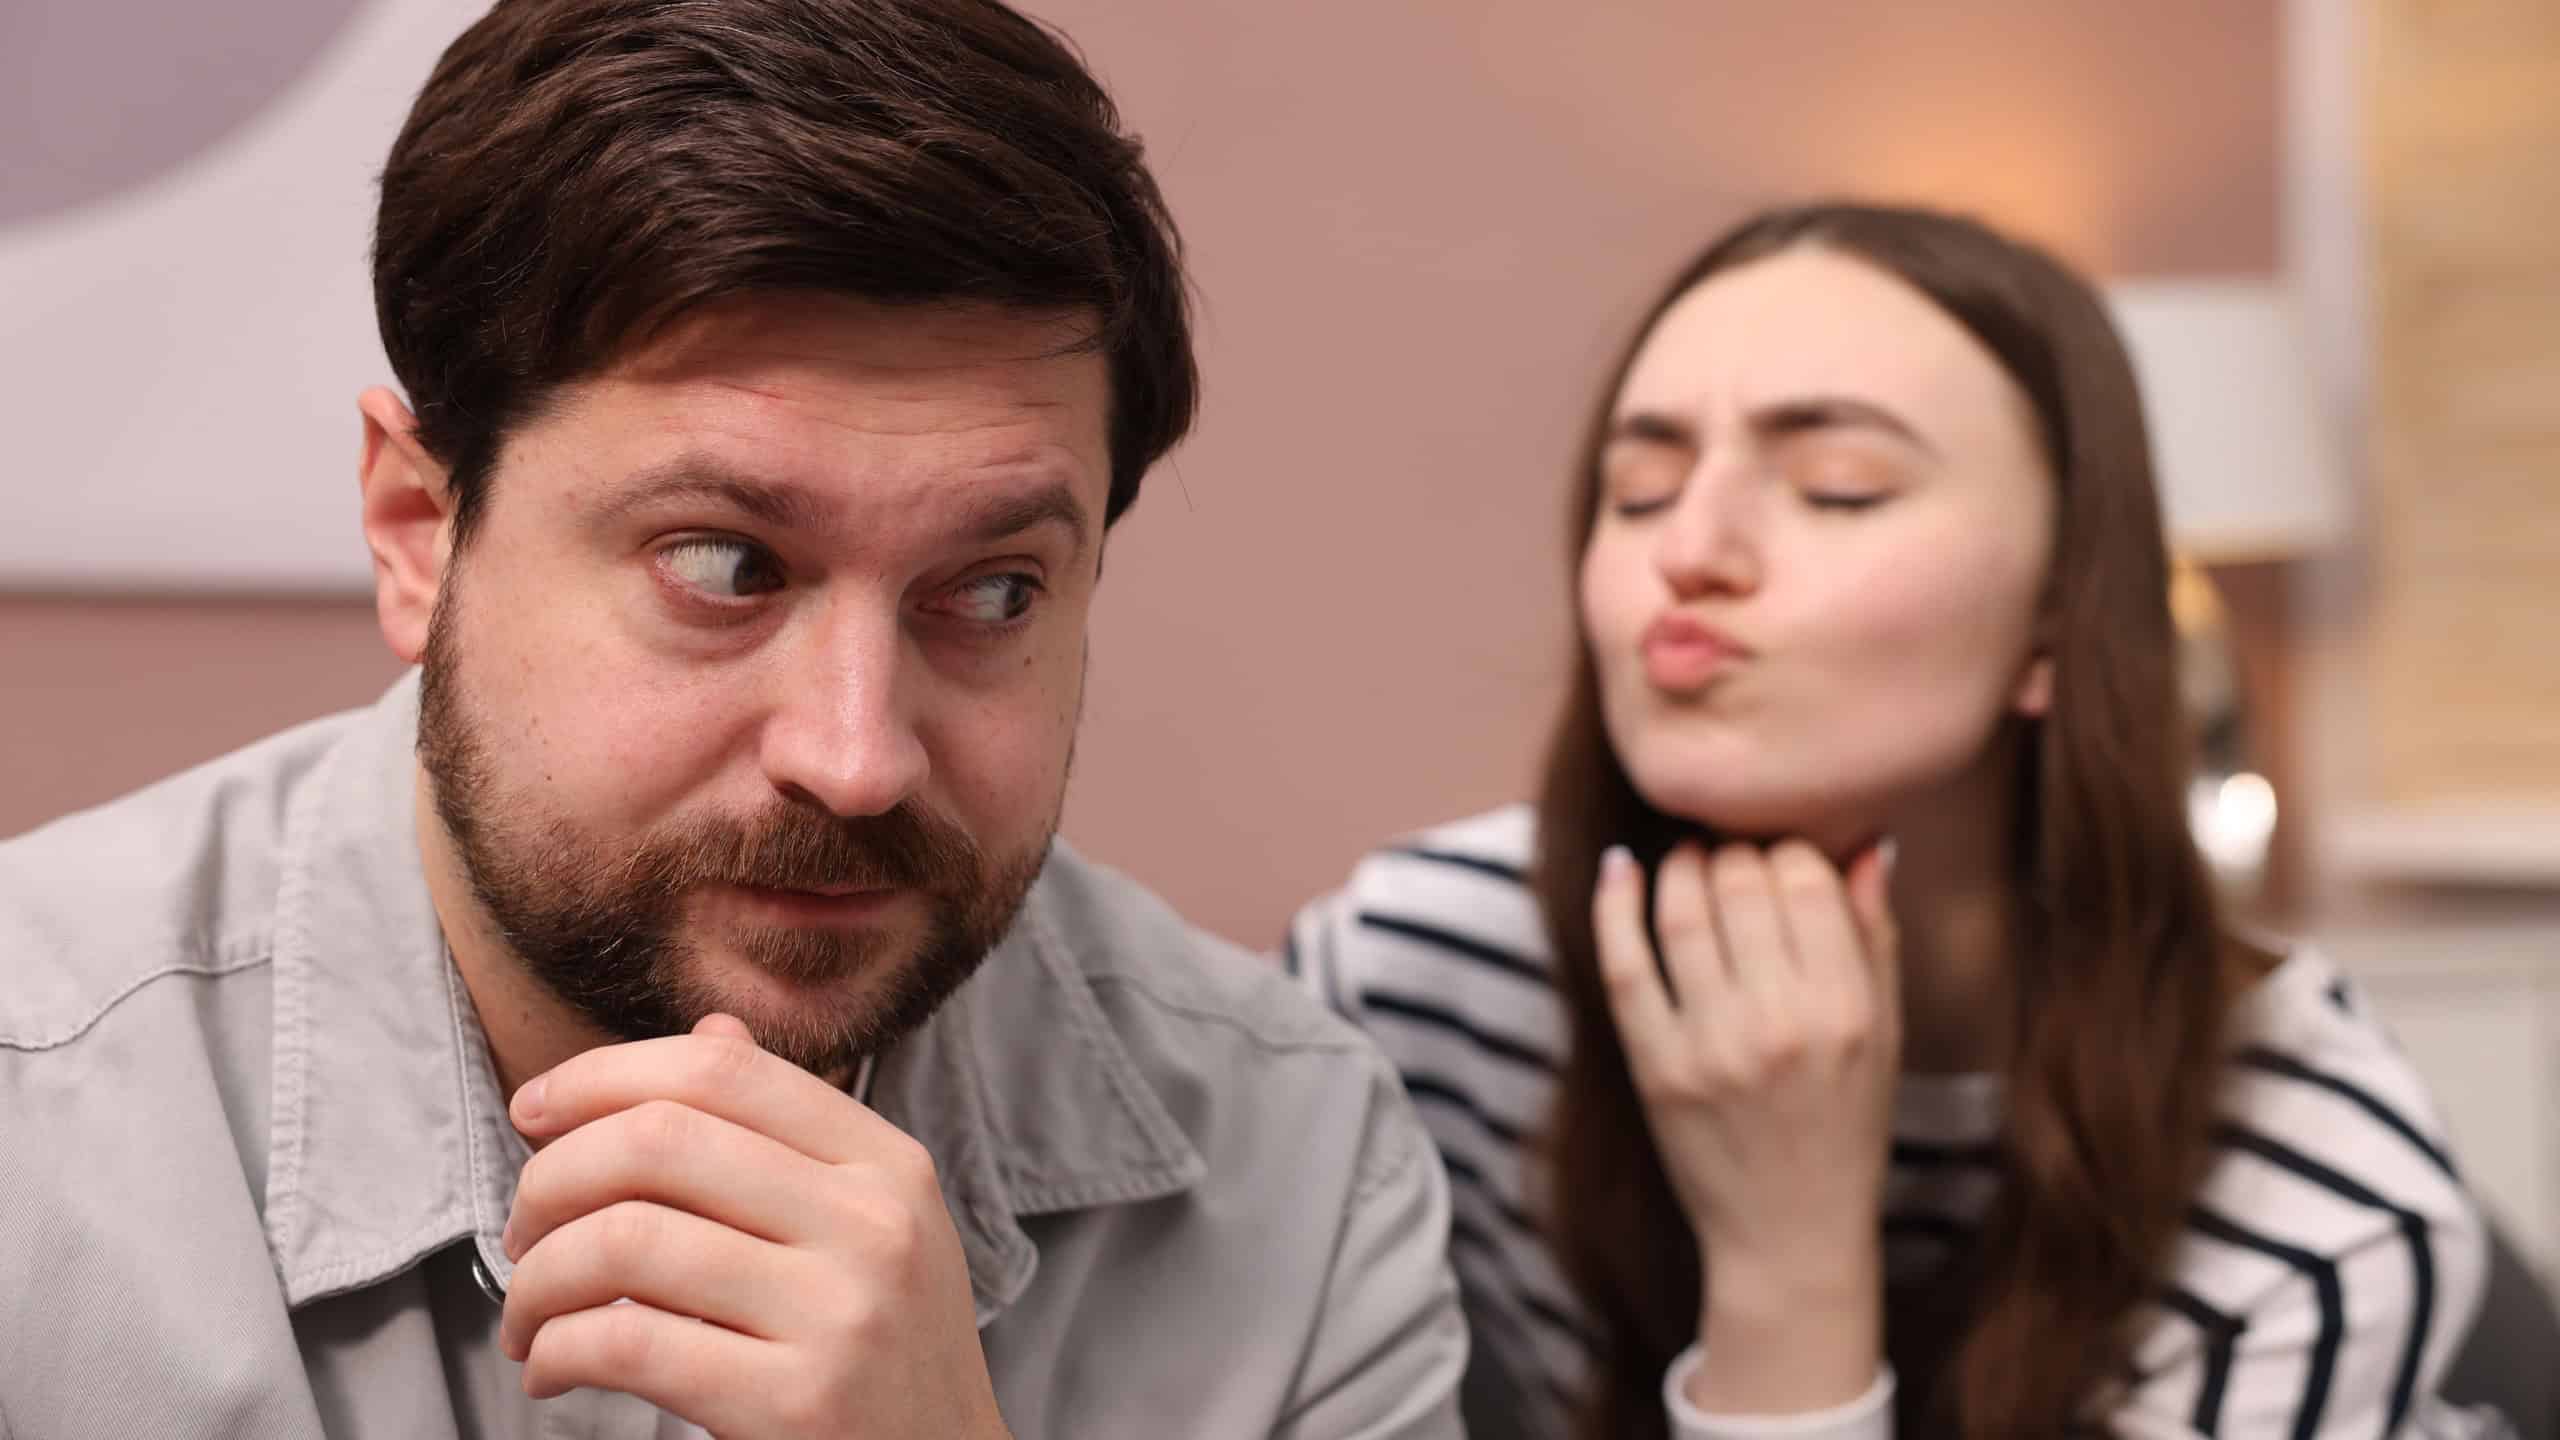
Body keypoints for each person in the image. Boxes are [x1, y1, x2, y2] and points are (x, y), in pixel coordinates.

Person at [0, 2, 1464, 1435]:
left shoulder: (1293, 1173)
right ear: (418, 530)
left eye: (996, 593)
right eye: (722, 567)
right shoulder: (34, 1121)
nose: (856, 756)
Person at [1286, 201, 2494, 1440]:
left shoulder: (2325, 1203)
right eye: (1639, 491)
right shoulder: (1416, 972)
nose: (1690, 551)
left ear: (2053, 622)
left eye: (1837, 488)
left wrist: (1787, 1268)